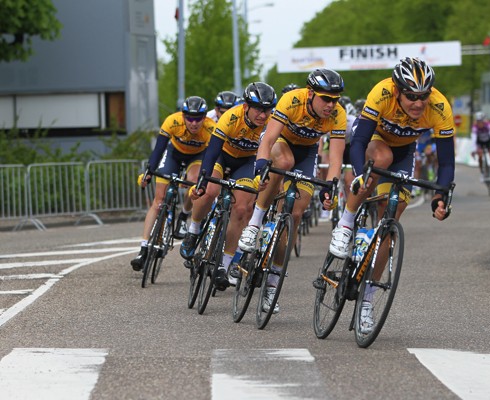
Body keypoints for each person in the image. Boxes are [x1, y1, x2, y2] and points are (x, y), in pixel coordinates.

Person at [328, 57, 455, 332]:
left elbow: (446, 162)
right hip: (376, 142)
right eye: (411, 96)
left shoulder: (439, 106)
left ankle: (367, 301)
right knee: (382, 157)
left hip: (405, 152)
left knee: (391, 219)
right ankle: (347, 222)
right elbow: (360, 139)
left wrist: (440, 196)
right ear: (397, 90)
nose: (418, 103)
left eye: (423, 96)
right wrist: (361, 174)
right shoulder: (382, 92)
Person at [238, 68, 347, 313]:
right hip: (281, 143)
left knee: (297, 213)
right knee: (284, 163)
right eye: (325, 99)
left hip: (306, 153)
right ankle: (255, 223)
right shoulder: (293, 100)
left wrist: (330, 186)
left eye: (335, 100)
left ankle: (273, 286)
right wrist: (262, 165)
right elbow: (267, 139)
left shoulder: (338, 114)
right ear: (310, 94)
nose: (331, 105)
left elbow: (336, 157)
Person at [179, 83, 277, 290]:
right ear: (246, 107)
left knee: (242, 209)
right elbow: (212, 151)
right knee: (210, 191)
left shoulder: (271, 124)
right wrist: (203, 181)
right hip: (221, 158)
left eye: (267, 109)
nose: (263, 114)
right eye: (258, 108)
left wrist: (263, 177)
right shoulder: (231, 117)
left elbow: (268, 154)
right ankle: (194, 230)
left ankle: (223, 266)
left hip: (246, 163)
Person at [131, 96, 216, 271]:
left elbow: (211, 156)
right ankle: (143, 248)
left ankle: (184, 215)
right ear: (183, 116)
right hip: (173, 155)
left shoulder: (210, 127)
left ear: (204, 118)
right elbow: (159, 149)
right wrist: (149, 171)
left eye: (198, 118)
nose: (194, 123)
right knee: (159, 200)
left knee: (194, 181)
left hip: (197, 157)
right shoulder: (172, 121)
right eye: (190, 118)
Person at [471, 111, 490, 185]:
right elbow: (474, 139)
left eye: (480, 121)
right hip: (480, 142)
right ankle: (482, 173)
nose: (479, 123)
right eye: (477, 121)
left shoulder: (488, 125)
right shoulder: (475, 127)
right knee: (480, 156)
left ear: (483, 120)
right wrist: (474, 150)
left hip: (488, 142)